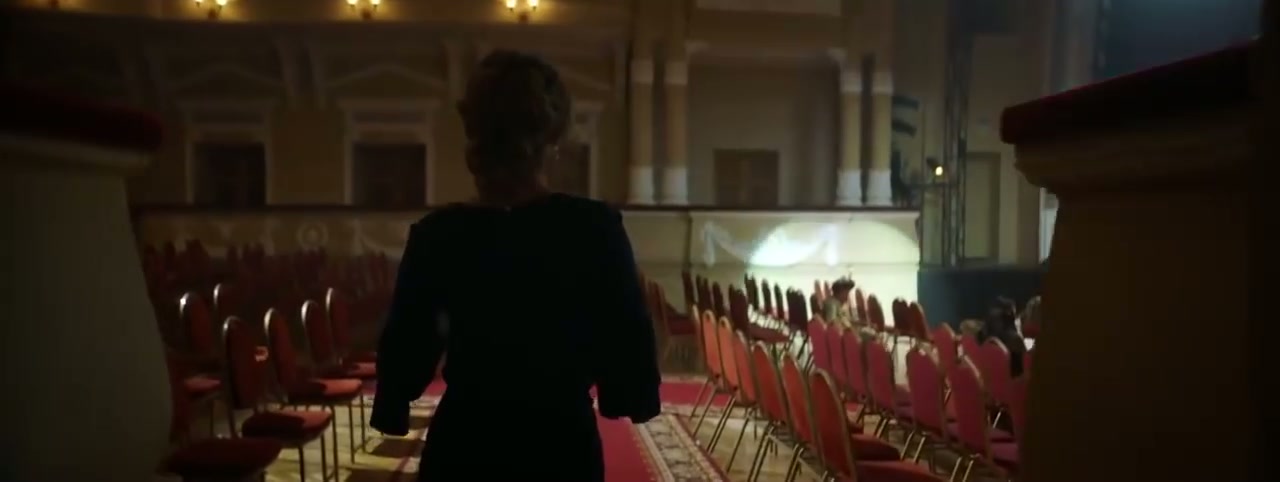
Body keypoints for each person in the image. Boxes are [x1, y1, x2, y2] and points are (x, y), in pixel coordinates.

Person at [369, 50, 662, 482]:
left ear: (474, 133)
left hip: (466, 444)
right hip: (560, 446)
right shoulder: (592, 227)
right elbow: (626, 342)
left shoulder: (438, 233)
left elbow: (406, 348)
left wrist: (393, 401)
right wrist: (629, 395)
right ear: (552, 137)